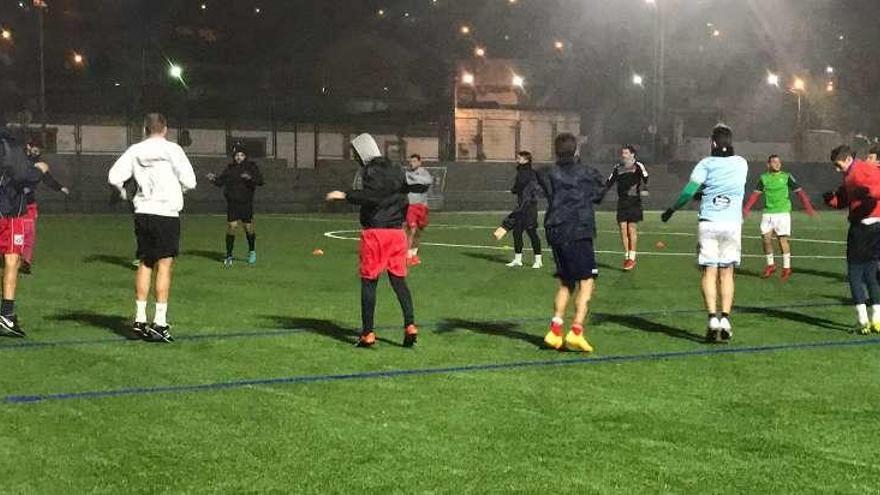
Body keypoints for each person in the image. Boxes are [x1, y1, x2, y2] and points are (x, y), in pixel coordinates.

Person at [108, 113, 197, 343]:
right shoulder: (172, 150)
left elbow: (114, 176)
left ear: (145, 129)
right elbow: (190, 181)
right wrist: (180, 189)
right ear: (165, 128)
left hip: (143, 212)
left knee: (145, 262)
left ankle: (139, 319)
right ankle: (159, 322)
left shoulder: (136, 150)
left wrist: (124, 193)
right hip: (166, 212)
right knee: (165, 264)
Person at [326, 133, 418, 348]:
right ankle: (410, 324)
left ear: (362, 153)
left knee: (369, 283)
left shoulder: (371, 170)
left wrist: (344, 195)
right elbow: (404, 199)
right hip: (397, 234)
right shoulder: (396, 170)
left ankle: (368, 333)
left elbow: (372, 197)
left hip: (376, 233)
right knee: (399, 282)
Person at [662, 125, 748, 343]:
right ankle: (726, 319)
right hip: (732, 223)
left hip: (709, 222)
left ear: (712, 143)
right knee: (727, 272)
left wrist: (672, 210)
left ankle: (712, 318)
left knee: (709, 272)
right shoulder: (741, 163)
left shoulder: (705, 164)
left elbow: (689, 192)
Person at [536, 133, 604, 353]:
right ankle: (576, 331)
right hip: (578, 229)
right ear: (575, 151)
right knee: (587, 281)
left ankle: (555, 330)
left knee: (566, 281)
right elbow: (599, 194)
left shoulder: (548, 172)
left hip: (555, 229)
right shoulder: (586, 173)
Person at [823, 145, 880, 334]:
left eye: (838, 165)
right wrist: (831, 200)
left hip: (863, 227)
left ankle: (863, 321)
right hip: (875, 226)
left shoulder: (859, 172)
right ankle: (877, 320)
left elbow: (872, 191)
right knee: (871, 272)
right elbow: (845, 199)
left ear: (847, 159)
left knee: (855, 273)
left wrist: (869, 197)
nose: (837, 169)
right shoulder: (853, 173)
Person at [0, 124, 48, 337]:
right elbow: (23, 176)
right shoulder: (10, 145)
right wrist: (40, 169)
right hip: (8, 213)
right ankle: (7, 315)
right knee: (12, 260)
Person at [742, 154, 816, 281]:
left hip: (782, 213)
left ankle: (787, 268)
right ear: (768, 164)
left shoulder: (786, 177)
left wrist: (808, 207)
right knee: (766, 239)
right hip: (768, 213)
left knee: (782, 240)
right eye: (774, 162)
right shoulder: (763, 178)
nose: (777, 164)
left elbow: (800, 192)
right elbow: (755, 194)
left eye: (779, 162)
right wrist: (746, 209)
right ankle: (771, 265)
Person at [206, 143, 264, 267]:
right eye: (237, 155)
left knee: (248, 228)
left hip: (246, 203)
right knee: (232, 227)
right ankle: (229, 255)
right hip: (232, 203)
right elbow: (221, 182)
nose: (239, 157)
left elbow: (260, 181)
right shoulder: (230, 168)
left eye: (241, 155)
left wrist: (250, 178)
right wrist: (213, 179)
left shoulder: (251, 167)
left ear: (245, 156)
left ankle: (252, 251)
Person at [19, 142, 71, 274]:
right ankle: (14, 257)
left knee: (29, 233)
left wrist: (60, 187)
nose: (37, 153)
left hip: (29, 204)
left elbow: (48, 179)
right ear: (29, 147)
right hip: (16, 204)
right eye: (35, 149)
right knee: (19, 232)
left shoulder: (40, 166)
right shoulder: (19, 162)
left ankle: (26, 261)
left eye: (39, 151)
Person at [598, 145, 649, 271]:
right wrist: (600, 193)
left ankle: (632, 256)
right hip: (622, 202)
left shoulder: (638, 166)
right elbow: (609, 182)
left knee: (631, 228)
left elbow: (646, 179)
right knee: (622, 228)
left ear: (632, 154)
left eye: (626, 153)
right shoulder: (618, 167)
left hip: (634, 201)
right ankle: (627, 256)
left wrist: (644, 190)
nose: (623, 155)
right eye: (623, 153)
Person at [494, 151, 543, 269]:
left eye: (519, 158)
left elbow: (525, 187)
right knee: (517, 232)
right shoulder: (521, 172)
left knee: (532, 233)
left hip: (529, 206)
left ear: (526, 160)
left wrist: (516, 190)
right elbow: (518, 187)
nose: (517, 159)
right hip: (521, 206)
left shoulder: (531, 173)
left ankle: (538, 260)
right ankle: (517, 259)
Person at [404, 154, 433, 266]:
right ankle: (407, 256)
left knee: (419, 232)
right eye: (411, 161)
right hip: (411, 206)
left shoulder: (425, 173)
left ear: (420, 162)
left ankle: (413, 254)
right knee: (411, 230)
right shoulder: (407, 174)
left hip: (422, 207)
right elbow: (409, 183)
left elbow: (428, 181)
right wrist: (416, 181)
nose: (412, 163)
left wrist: (415, 179)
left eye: (415, 161)